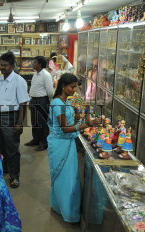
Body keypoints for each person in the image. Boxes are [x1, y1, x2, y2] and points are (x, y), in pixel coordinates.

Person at [48, 73, 102, 223]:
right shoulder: (58, 104)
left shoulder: (64, 101)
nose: (74, 90)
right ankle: (67, 213)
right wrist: (88, 124)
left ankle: (59, 207)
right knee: (67, 181)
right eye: (72, 87)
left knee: (66, 179)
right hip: (61, 145)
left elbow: (71, 120)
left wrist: (84, 114)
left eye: (76, 87)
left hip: (67, 143)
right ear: (63, 86)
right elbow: (65, 128)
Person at [0, 52, 29, 188]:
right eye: (1, 65)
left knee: (12, 148)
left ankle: (14, 176)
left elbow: (23, 104)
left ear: (12, 66)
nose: (2, 68)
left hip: (10, 117)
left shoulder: (19, 81)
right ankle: (4, 169)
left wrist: (20, 123)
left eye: (5, 65)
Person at [26, 56, 54, 151]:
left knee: (42, 123)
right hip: (34, 100)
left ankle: (44, 142)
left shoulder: (46, 75)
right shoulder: (36, 74)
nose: (33, 64)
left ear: (40, 64)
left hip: (42, 101)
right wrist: (30, 99)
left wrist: (48, 102)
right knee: (34, 122)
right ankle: (36, 139)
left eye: (35, 62)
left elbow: (50, 91)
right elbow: (33, 88)